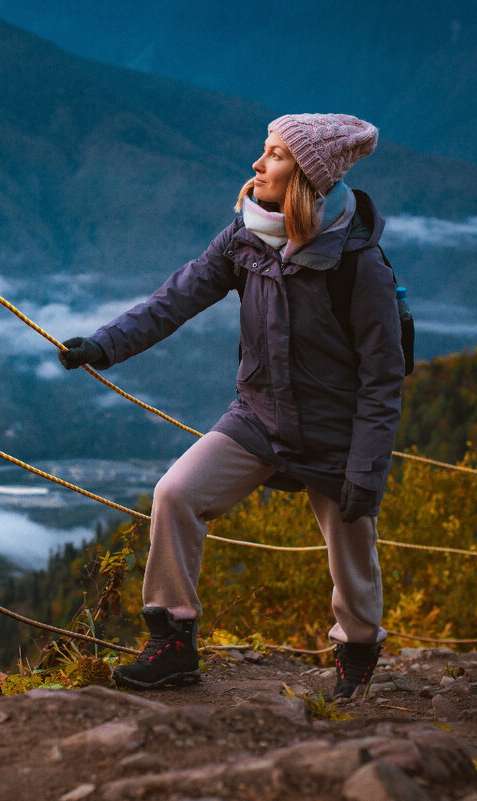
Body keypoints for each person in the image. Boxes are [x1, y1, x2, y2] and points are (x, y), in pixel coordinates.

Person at [58, 113, 403, 698]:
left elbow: (382, 377)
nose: (257, 164)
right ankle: (172, 643)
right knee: (175, 495)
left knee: (351, 545)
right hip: (258, 417)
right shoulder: (244, 237)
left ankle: (358, 647)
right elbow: (175, 298)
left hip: (335, 432)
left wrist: (365, 470)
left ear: (307, 177)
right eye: (264, 150)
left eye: (275, 155)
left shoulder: (358, 263)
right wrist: (103, 345)